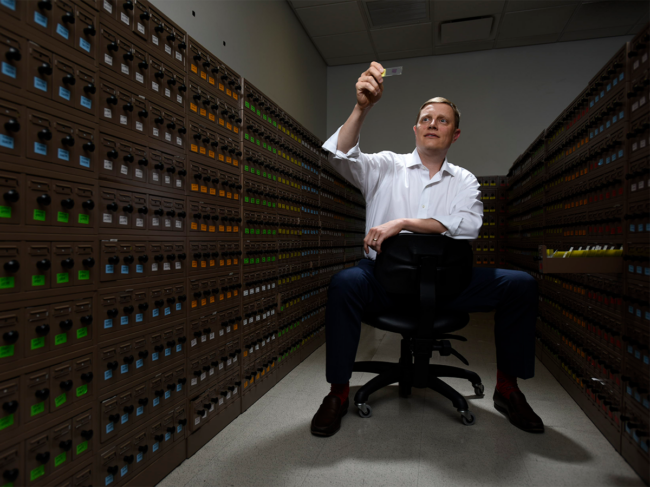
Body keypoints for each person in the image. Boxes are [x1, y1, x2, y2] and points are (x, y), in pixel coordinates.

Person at [311, 61, 543, 437]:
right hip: (383, 279)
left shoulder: (464, 179)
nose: (433, 123)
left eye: (443, 120)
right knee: (344, 284)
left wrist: (402, 223)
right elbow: (339, 157)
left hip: (449, 283)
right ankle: (337, 393)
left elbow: (469, 226)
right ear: (416, 129)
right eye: (426, 118)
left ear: (455, 134)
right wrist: (362, 107)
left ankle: (508, 388)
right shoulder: (386, 166)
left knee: (521, 286)